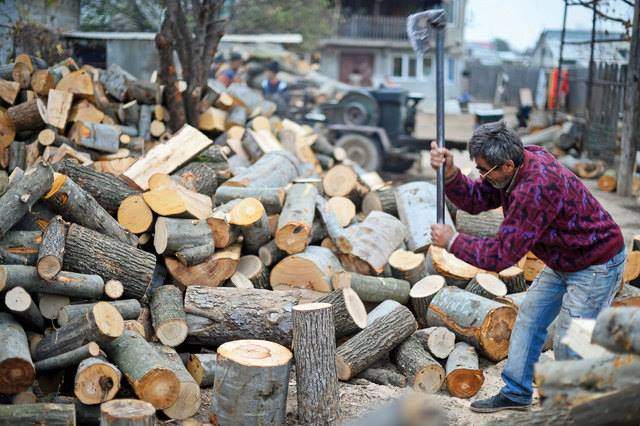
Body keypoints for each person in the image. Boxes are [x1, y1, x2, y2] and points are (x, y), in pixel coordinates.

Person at [429, 121, 625, 413]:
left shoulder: (535, 188)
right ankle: (516, 392)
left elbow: (501, 255)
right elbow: (475, 198)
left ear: (506, 165)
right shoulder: (518, 165)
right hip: (564, 261)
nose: (481, 175)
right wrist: (451, 174)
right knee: (528, 320)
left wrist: (454, 241)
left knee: (570, 343)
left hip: (596, 263)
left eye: (485, 170)